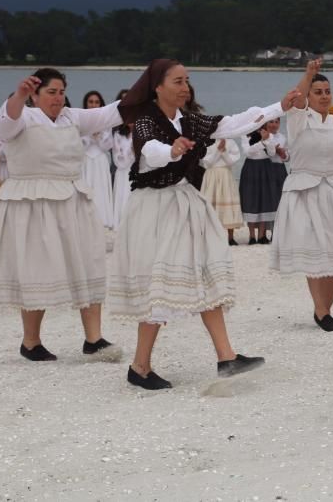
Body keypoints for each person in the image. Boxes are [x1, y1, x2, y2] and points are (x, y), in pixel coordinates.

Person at [108, 59, 300, 390]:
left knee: (206, 272)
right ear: (157, 86)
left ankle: (226, 357)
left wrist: (277, 107)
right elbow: (150, 152)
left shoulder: (192, 122)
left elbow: (234, 123)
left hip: (187, 204)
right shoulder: (144, 121)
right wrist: (172, 149)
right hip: (155, 207)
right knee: (160, 284)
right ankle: (140, 367)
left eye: (187, 81)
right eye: (178, 81)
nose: (185, 87)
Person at [0, 69, 123, 362]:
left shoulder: (71, 118)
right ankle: (31, 342)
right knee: (37, 269)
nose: (58, 97)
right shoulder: (21, 117)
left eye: (62, 91)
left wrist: (151, 82)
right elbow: (7, 122)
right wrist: (19, 95)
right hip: (32, 201)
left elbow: (110, 113)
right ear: (35, 95)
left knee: (88, 262)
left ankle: (94, 339)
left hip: (72, 198)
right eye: (52, 92)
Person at [270, 61, 333, 332]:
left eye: (327, 91)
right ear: (309, 95)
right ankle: (321, 310)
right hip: (305, 191)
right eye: (318, 91)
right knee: (315, 248)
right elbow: (295, 101)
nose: (323, 96)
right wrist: (308, 75)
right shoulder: (299, 119)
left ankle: (325, 309)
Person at [240, 120, 288, 245]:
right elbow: (247, 152)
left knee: (264, 199)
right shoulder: (246, 134)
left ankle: (261, 235)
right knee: (251, 199)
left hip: (266, 167)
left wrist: (267, 141)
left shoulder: (269, 135)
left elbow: (271, 153)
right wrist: (262, 142)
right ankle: (251, 236)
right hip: (251, 167)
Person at [80, 91, 114, 228]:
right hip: (85, 160)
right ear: (86, 104)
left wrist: (98, 136)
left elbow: (108, 145)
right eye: (91, 102)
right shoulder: (80, 120)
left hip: (100, 160)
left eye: (96, 102)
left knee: (100, 190)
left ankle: (102, 219)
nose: (93, 105)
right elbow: (77, 144)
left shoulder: (106, 121)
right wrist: (89, 135)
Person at [200, 137, 244, 245]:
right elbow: (208, 162)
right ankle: (211, 236)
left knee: (228, 203)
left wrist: (224, 151)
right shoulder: (207, 141)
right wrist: (218, 150)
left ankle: (230, 237)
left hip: (225, 175)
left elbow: (231, 162)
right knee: (211, 205)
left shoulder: (231, 141)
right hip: (211, 175)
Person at [112, 121, 135, 228]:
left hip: (136, 172)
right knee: (122, 195)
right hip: (122, 172)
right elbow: (117, 158)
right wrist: (130, 153)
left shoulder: (141, 134)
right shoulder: (118, 135)